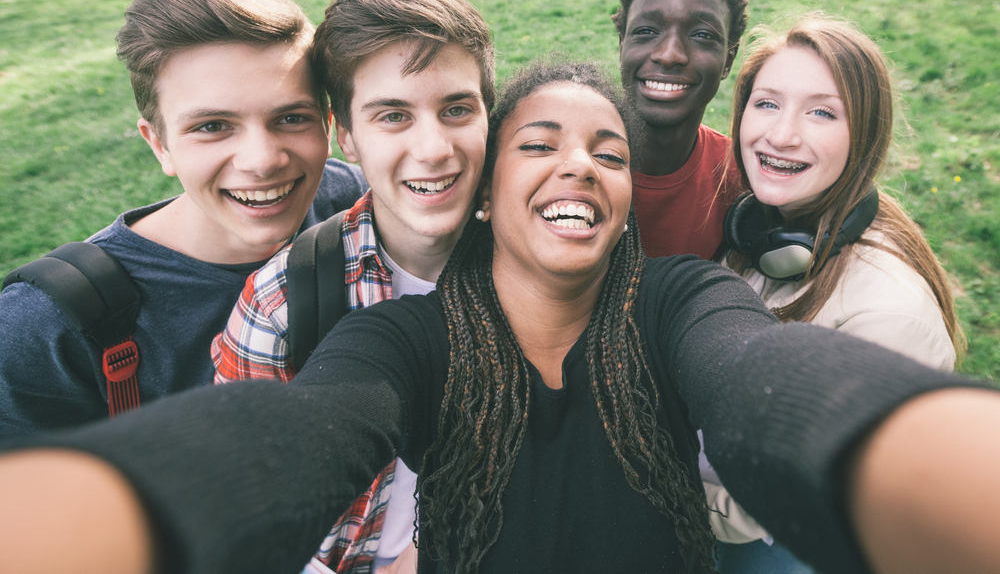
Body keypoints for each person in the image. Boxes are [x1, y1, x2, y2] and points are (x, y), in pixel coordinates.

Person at [0, 62, 992, 574]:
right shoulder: (403, 338)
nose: (579, 163)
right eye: (542, 142)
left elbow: (768, 378)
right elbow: (304, 431)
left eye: (606, 150)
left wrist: (928, 458)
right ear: (484, 192)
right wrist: (100, 518)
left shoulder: (676, 299)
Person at [0, 0, 367, 437]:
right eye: (212, 126)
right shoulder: (45, 328)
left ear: (328, 123)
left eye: (291, 118)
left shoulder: (351, 199)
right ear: (159, 144)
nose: (262, 160)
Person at [211, 0, 494, 574]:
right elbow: (244, 512)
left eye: (457, 109)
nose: (434, 147)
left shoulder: (536, 264)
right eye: (393, 115)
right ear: (348, 137)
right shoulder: (283, 303)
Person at [708, 15, 966, 570]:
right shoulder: (758, 234)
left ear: (864, 137)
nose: (780, 134)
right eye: (767, 102)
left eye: (822, 112)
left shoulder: (891, 314)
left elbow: (772, 500)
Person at [613, 0, 747, 260]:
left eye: (702, 35)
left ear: (728, 59)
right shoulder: (567, 164)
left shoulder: (741, 179)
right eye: (646, 31)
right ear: (621, 45)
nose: (670, 54)